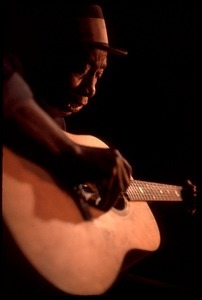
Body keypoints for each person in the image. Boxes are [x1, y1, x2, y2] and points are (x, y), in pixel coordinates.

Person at [3, 3, 198, 298]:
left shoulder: (62, 125)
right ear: (47, 58)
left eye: (99, 75)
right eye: (82, 70)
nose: (91, 89)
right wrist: (71, 154)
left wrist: (180, 195)